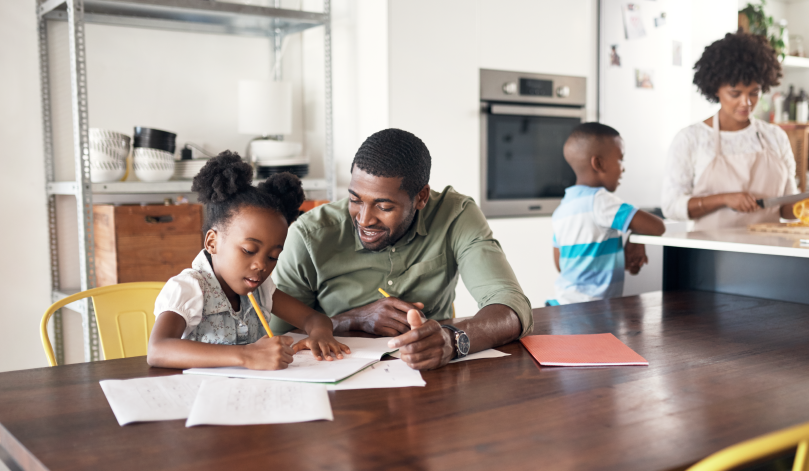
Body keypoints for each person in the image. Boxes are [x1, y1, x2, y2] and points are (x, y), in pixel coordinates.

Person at [272, 128, 532, 371]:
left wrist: (452, 341)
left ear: (421, 197)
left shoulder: (455, 215)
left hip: (432, 375)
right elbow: (276, 335)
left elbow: (512, 306)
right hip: (334, 375)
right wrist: (353, 319)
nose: (363, 219)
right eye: (355, 199)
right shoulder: (309, 234)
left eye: (383, 207)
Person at [147, 152, 350, 370]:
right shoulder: (190, 288)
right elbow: (158, 350)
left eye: (273, 257)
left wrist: (320, 334)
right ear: (212, 242)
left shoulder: (261, 290)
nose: (262, 265)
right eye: (248, 250)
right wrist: (246, 355)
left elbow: (314, 319)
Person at [661, 32, 799, 230]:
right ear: (715, 89)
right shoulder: (690, 139)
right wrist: (724, 199)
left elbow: (786, 207)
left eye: (754, 93)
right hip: (712, 255)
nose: (746, 102)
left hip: (771, 251)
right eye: (735, 94)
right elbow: (671, 206)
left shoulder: (775, 137)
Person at [551, 123, 665, 305]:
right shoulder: (601, 201)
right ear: (599, 163)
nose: (623, 168)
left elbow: (560, 264)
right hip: (593, 308)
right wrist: (636, 238)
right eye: (621, 159)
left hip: (563, 304)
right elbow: (657, 226)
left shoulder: (562, 209)